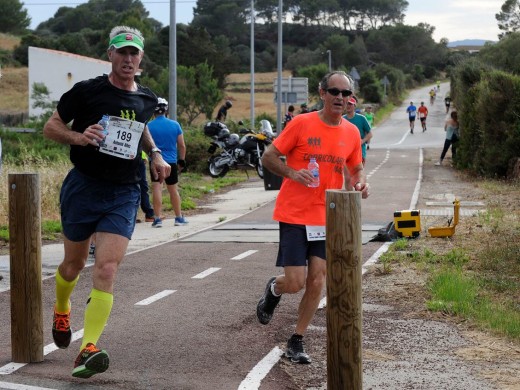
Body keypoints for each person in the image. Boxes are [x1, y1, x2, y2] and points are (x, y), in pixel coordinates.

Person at [43, 25, 171, 379]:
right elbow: (51, 127)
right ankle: (62, 306)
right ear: (110, 54)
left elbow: (141, 126)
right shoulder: (87, 92)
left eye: (134, 53)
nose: (128, 59)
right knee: (74, 264)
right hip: (84, 187)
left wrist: (156, 154)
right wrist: (79, 137)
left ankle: (88, 348)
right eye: (122, 52)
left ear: (141, 58)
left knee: (107, 268)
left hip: (124, 191)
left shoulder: (146, 98)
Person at [256, 70, 370, 364]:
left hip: (326, 215)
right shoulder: (301, 123)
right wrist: (293, 172)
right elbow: (268, 156)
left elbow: (356, 168)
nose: (340, 98)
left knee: (317, 280)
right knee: (296, 282)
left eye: (346, 94)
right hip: (294, 213)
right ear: (322, 93)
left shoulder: (351, 132)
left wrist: (360, 182)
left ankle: (296, 339)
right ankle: (274, 288)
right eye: (335, 92)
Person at [147, 98, 188, 227]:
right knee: (173, 190)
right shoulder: (175, 125)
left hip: (155, 162)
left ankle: (157, 218)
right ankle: (178, 217)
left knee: (157, 189)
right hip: (171, 162)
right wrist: (182, 160)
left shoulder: (148, 126)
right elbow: (181, 145)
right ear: (166, 110)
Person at [343, 96, 372, 166]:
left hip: (360, 152)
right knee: (347, 175)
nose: (348, 106)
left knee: (358, 175)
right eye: (346, 103)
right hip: (346, 152)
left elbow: (370, 134)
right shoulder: (342, 119)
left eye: (350, 104)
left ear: (354, 105)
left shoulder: (361, 118)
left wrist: (362, 141)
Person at [138, 151, 155, 223]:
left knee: (142, 186)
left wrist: (144, 156)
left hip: (138, 156)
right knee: (142, 186)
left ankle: (149, 213)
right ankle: (149, 213)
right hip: (136, 157)